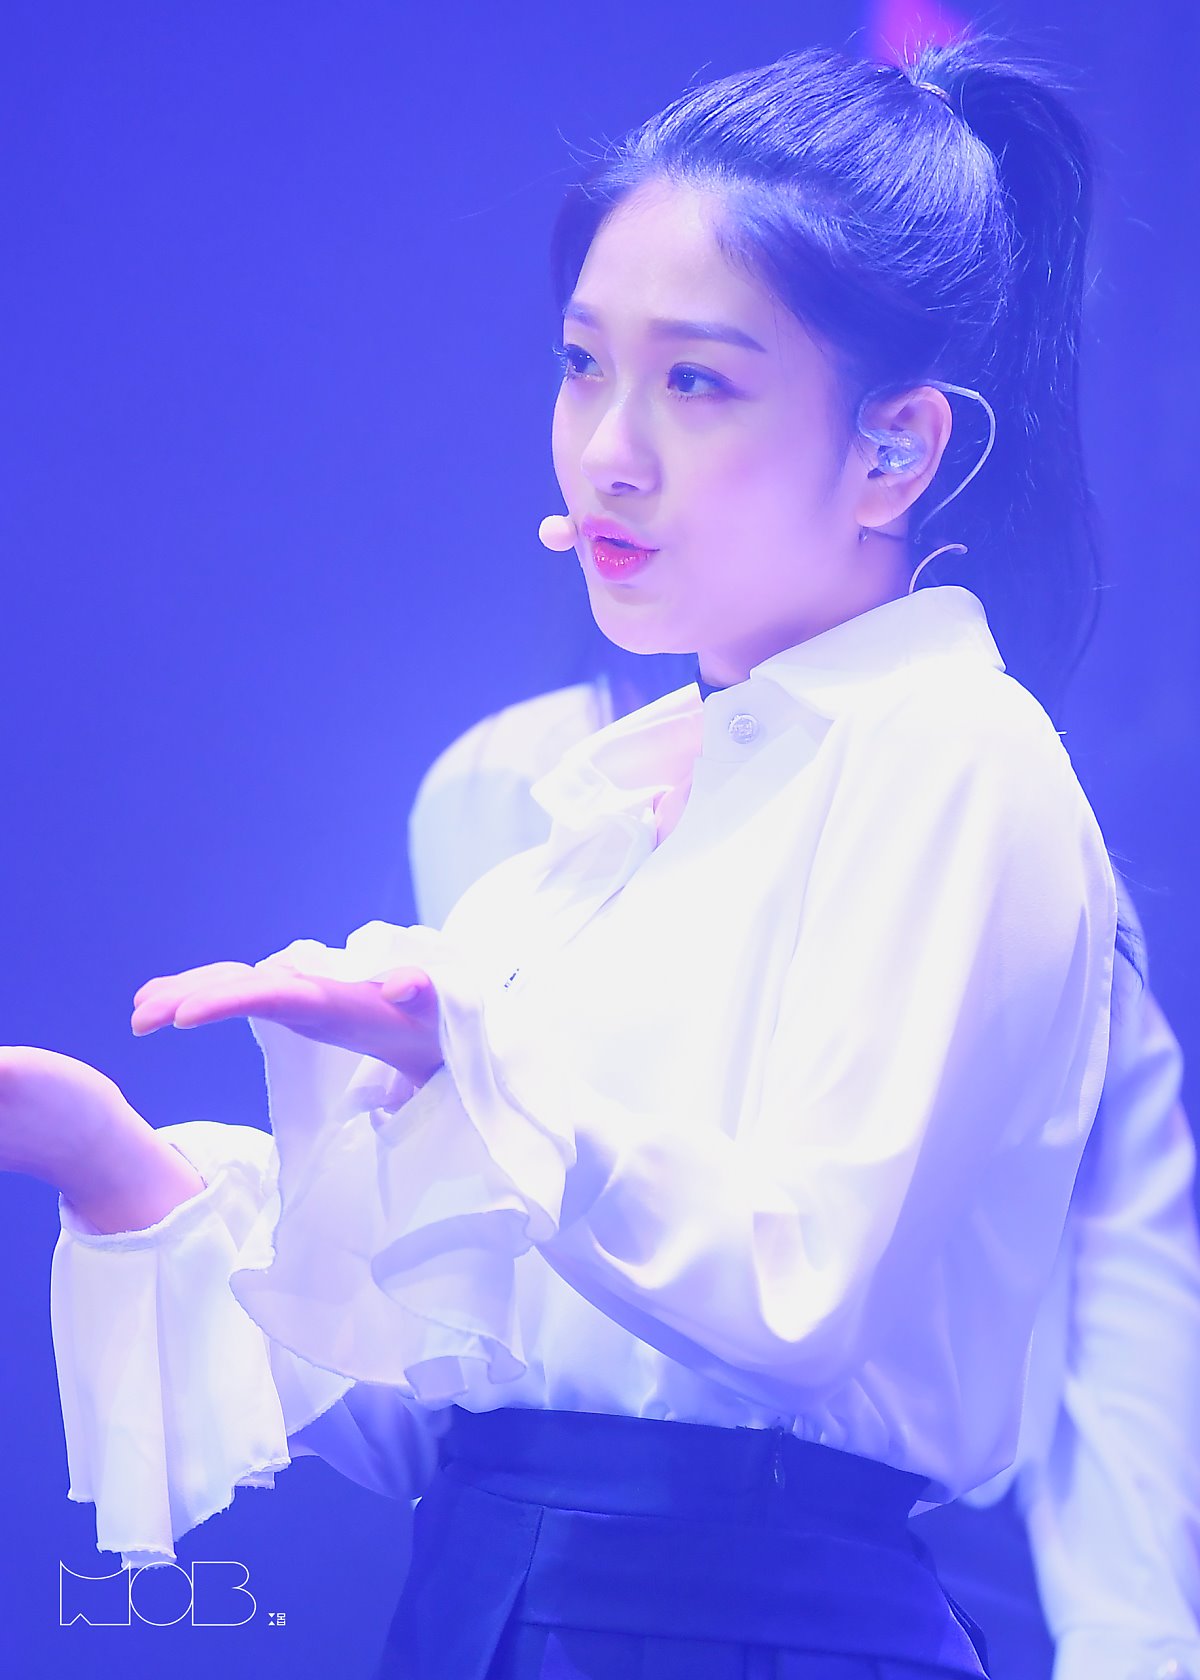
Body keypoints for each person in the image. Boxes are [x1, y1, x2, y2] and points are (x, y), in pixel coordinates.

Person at [0, 31, 1180, 1680]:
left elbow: (798, 1293)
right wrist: (116, 1164)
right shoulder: (585, 815)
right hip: (487, 1603)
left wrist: (477, 1058)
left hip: (747, 1625)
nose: (608, 447)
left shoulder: (954, 754)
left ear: (896, 449)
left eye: (697, 381)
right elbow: (449, 1411)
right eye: (580, 365)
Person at [407, 659, 1200, 1680]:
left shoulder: (971, 758)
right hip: (535, 1543)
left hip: (910, 1525)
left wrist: (1137, 1641)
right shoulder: (511, 778)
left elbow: (1123, 1256)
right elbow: (478, 1280)